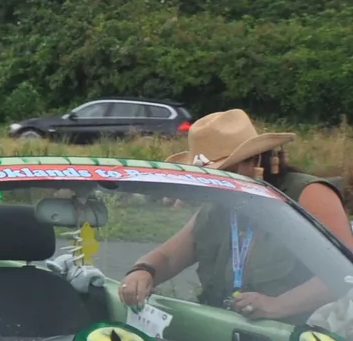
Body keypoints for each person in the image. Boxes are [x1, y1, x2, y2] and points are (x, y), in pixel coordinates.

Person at [119, 108, 353, 321]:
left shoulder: (308, 193)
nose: (215, 183)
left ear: (256, 160)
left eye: (225, 171)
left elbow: (345, 272)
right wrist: (142, 272)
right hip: (230, 339)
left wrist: (278, 305)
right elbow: (169, 258)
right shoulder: (220, 204)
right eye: (209, 175)